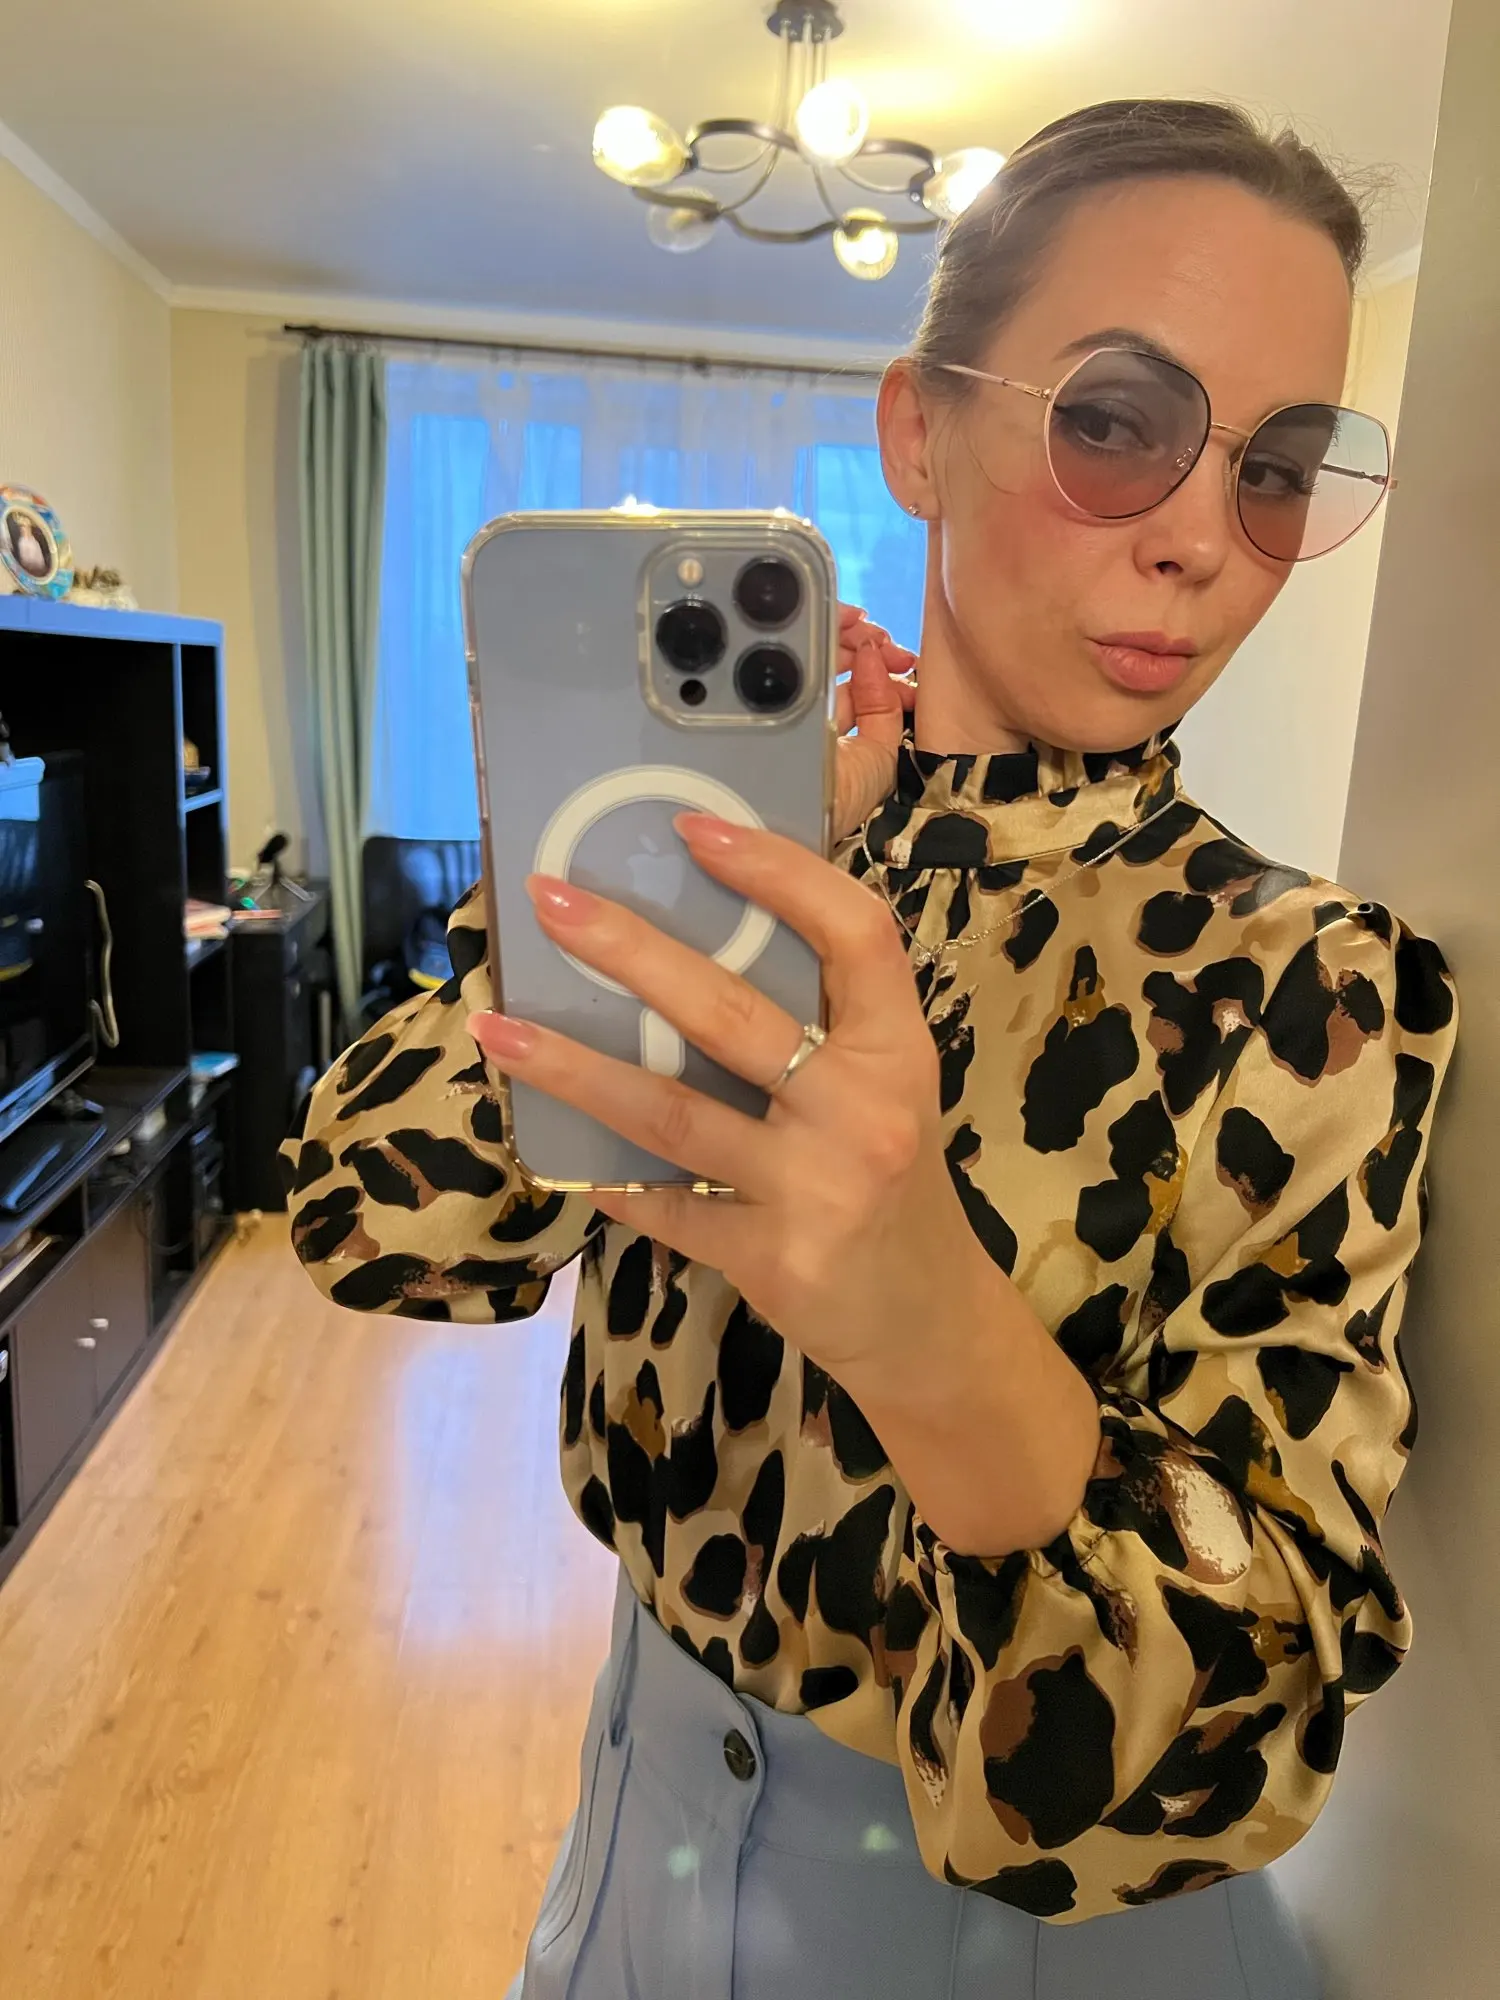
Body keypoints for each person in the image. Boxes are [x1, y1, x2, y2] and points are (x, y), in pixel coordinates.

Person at [282, 98, 1457, 2000]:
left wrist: (929, 1322)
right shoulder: (760, 851)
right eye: (1115, 421)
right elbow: (379, 1230)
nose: (1200, 543)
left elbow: (1228, 1738)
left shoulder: (1308, 985)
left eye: (1279, 469)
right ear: (920, 432)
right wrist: (645, 883)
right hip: (629, 1822)